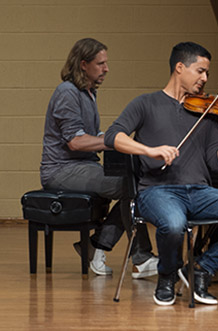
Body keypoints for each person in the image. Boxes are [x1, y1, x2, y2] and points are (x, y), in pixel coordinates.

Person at [104, 41, 218, 306]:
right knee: (173, 224)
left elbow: (217, 164)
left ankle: (201, 269)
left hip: (201, 192)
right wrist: (149, 150)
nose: (205, 78)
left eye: (207, 73)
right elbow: (114, 136)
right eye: (200, 71)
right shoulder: (145, 104)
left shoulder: (208, 111)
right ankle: (167, 275)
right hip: (157, 192)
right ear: (179, 68)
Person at [40, 38, 158, 278]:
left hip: (82, 166)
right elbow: (75, 141)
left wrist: (117, 136)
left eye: (106, 63)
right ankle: (141, 257)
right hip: (61, 171)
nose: (106, 69)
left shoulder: (88, 92)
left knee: (133, 183)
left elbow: (90, 136)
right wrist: (113, 140)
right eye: (100, 63)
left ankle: (96, 246)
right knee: (129, 186)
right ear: (83, 64)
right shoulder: (67, 92)